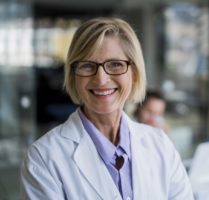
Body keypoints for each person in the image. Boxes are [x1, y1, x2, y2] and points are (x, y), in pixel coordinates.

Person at [20, 18, 193, 199]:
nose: (101, 79)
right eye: (87, 65)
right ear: (73, 75)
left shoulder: (160, 144)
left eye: (115, 64)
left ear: (134, 73)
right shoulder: (44, 158)